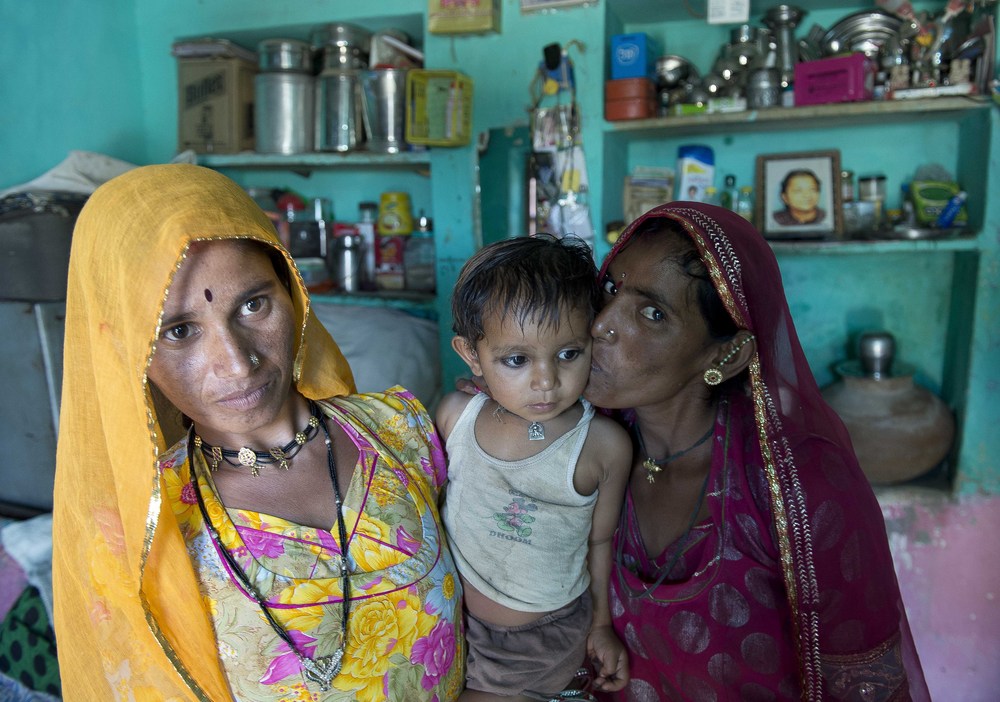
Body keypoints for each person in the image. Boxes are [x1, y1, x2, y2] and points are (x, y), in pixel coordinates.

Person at [51, 164, 465, 701]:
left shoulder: (403, 431)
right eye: (179, 331)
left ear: (293, 292)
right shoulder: (140, 535)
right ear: (127, 351)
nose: (238, 364)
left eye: (253, 304)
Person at [586, 202, 928, 700]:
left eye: (653, 312)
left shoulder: (806, 488)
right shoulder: (581, 443)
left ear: (724, 357)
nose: (601, 324)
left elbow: (864, 686)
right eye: (611, 288)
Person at [436, 237, 631, 700]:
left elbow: (600, 543)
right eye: (517, 360)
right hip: (449, 618)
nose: (546, 381)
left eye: (568, 354)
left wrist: (601, 625)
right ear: (470, 354)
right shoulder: (453, 418)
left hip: (538, 641)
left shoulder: (601, 447)